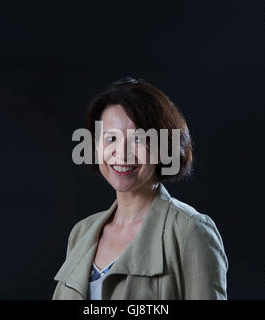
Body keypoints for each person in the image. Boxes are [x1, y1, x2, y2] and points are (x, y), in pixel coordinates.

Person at [52, 78, 228, 299]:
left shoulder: (190, 231)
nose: (122, 152)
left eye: (138, 139)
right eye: (111, 138)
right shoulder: (82, 233)